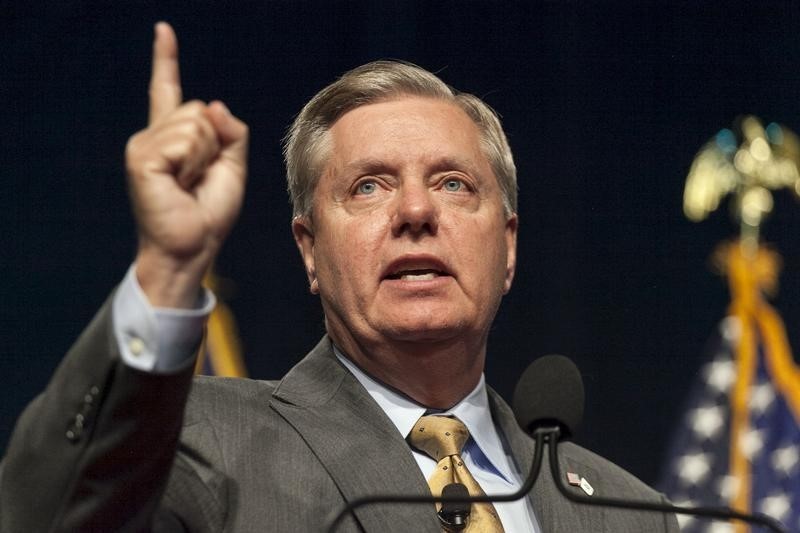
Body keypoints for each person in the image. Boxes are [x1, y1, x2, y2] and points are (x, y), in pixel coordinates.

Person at [0, 23, 678, 532]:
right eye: (368, 186)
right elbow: (43, 511)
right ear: (309, 252)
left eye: (452, 183)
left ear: (507, 246)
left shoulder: (631, 513)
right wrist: (166, 270)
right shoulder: (195, 441)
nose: (416, 211)